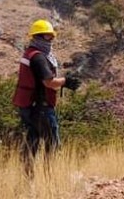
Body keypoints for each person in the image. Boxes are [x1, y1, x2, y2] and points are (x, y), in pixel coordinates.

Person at [12, 19, 79, 176]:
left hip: (28, 106)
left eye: (51, 36)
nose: (51, 39)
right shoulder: (39, 57)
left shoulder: (29, 54)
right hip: (40, 107)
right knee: (52, 143)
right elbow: (49, 82)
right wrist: (66, 81)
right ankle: (50, 177)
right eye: (48, 36)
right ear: (39, 37)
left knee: (32, 141)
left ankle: (27, 177)